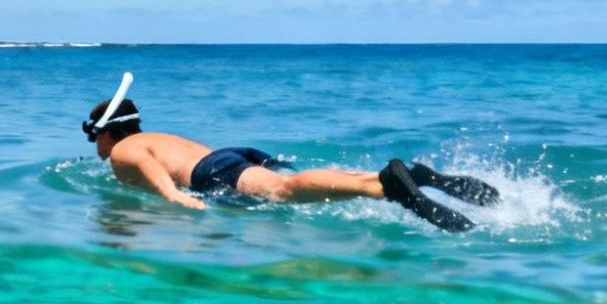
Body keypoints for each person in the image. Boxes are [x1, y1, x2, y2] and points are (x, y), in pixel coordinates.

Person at [82, 96, 499, 232]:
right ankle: (404, 176)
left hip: (210, 175)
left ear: (105, 132)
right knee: (289, 185)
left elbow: (148, 167)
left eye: (93, 136)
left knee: (285, 192)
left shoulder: (124, 149)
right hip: (226, 157)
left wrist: (174, 198)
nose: (95, 147)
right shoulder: (162, 136)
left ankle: (384, 185)